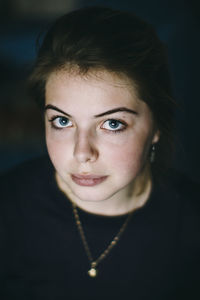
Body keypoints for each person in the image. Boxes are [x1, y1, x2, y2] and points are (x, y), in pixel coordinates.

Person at [0, 6, 199, 300]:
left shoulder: (192, 226)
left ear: (156, 125)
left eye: (112, 124)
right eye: (62, 121)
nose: (82, 153)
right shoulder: (8, 207)